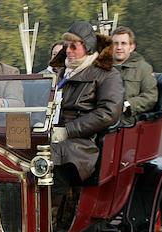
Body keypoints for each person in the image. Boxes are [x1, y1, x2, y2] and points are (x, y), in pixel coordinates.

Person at [47, 21, 123, 203]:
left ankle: (54, 220)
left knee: (52, 157)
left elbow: (108, 112)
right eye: (66, 46)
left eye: (74, 46)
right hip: (52, 134)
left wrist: (68, 130)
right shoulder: (59, 74)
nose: (68, 51)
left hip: (84, 143)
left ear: (88, 48)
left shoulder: (107, 75)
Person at [111, 26, 157, 126]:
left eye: (123, 43)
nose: (119, 47)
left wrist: (128, 105)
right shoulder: (102, 67)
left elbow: (150, 96)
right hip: (101, 118)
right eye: (115, 44)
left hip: (125, 122)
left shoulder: (143, 68)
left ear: (131, 47)